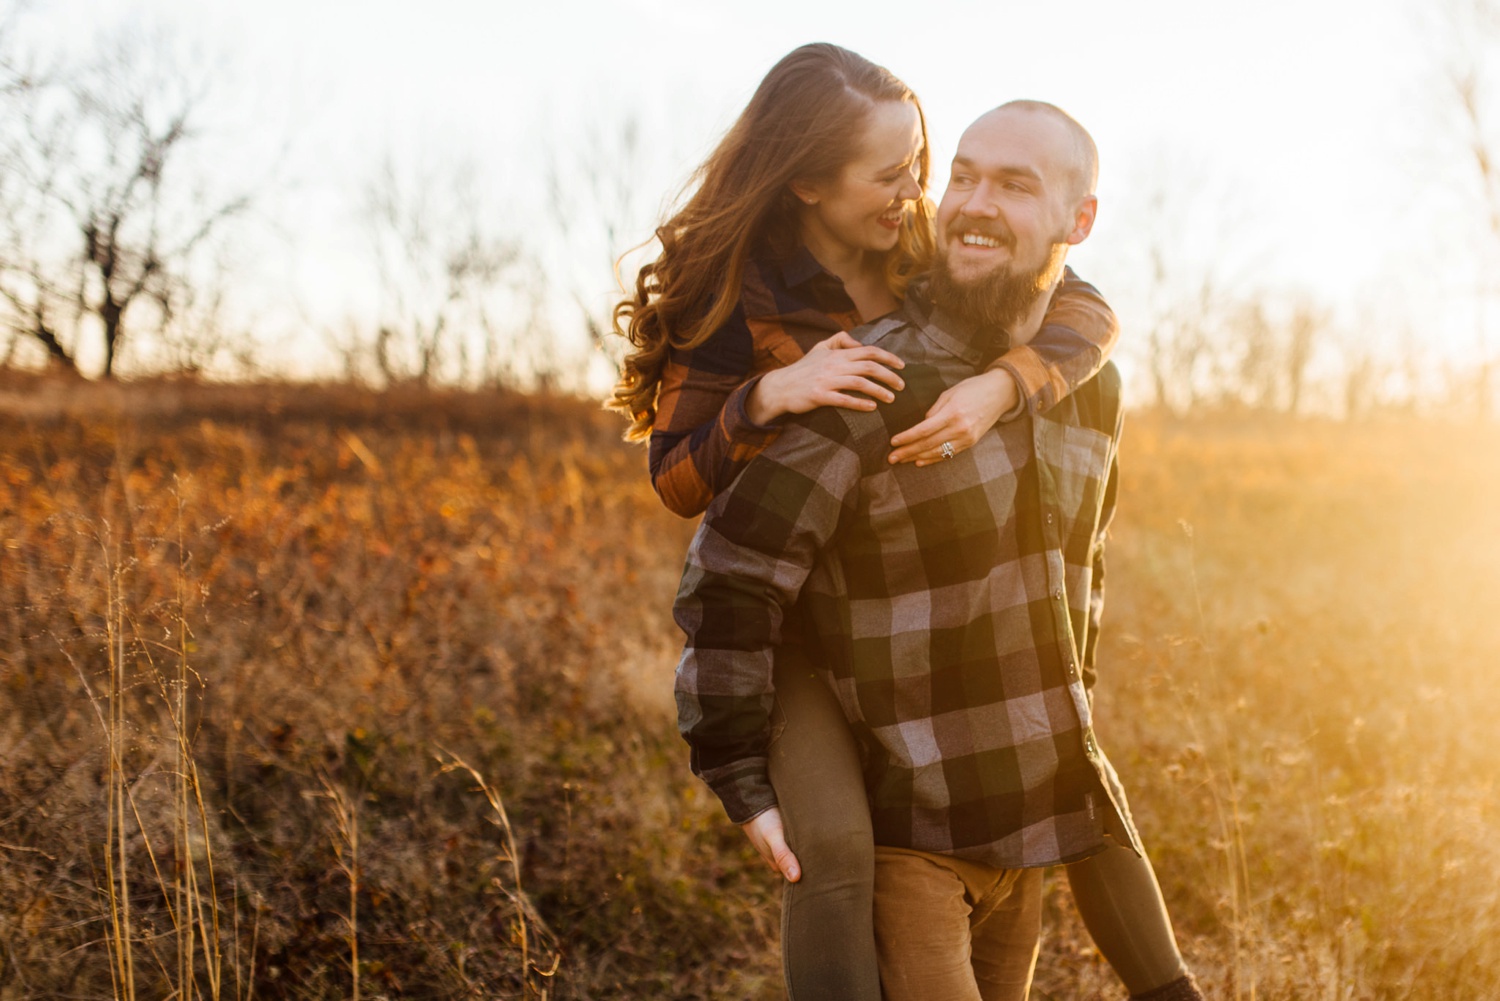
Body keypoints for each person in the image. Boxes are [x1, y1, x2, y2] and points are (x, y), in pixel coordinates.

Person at [612, 45, 1126, 1000]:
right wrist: (765, 396)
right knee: (839, 852)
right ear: (808, 180)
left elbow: (1083, 305)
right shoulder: (733, 291)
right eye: (894, 174)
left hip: (904, 593)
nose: (919, 192)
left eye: (921, 165)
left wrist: (1002, 383)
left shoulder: (921, 243)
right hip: (794, 614)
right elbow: (678, 478)